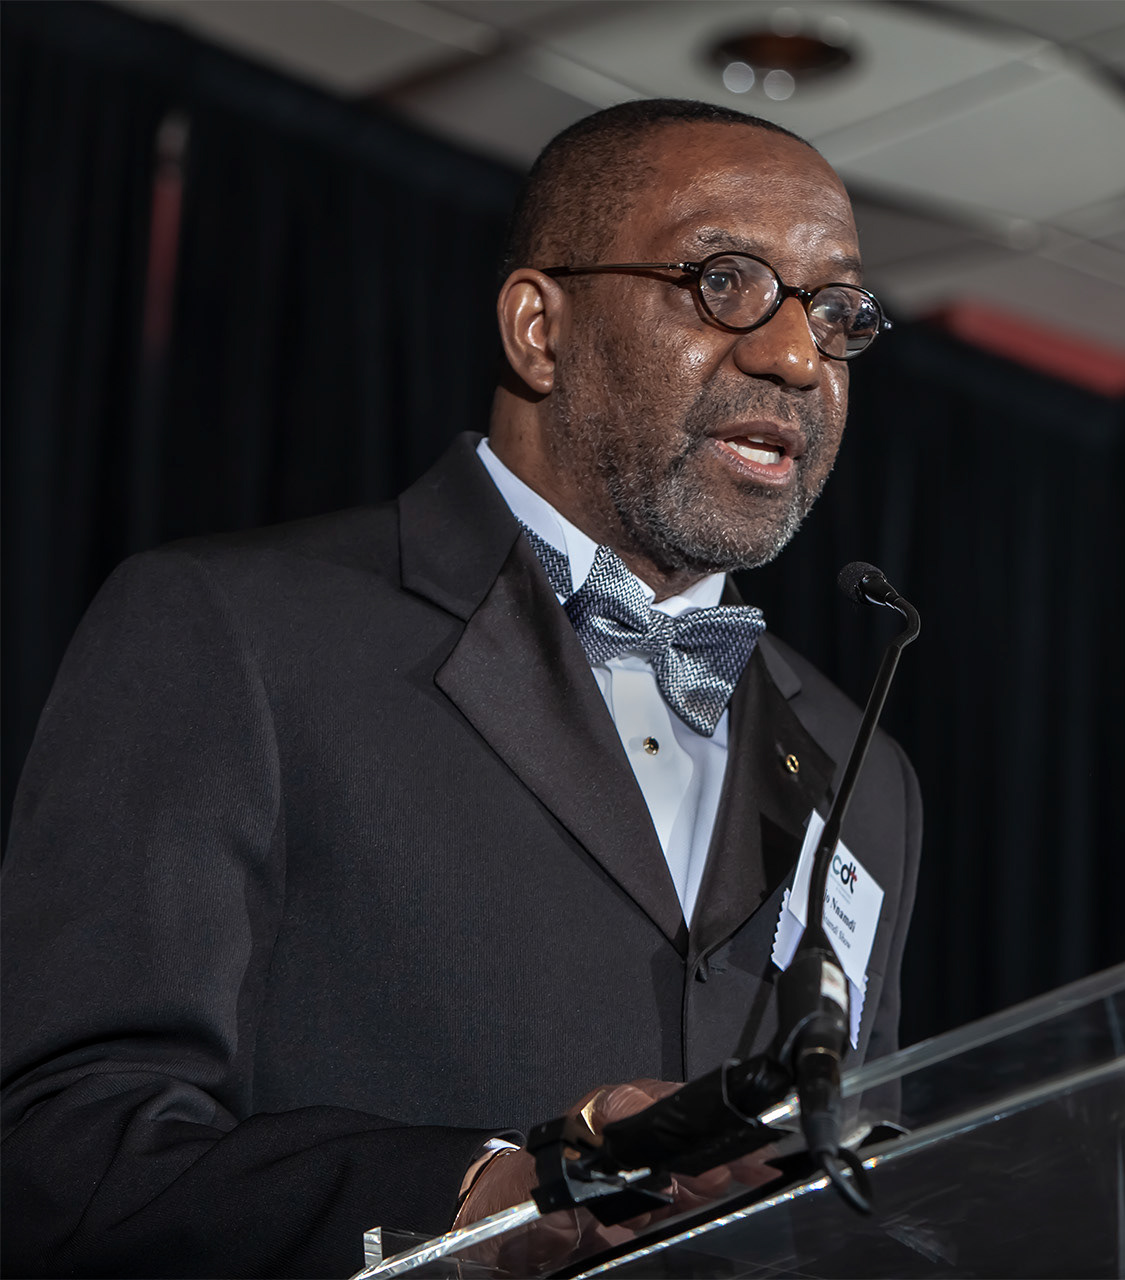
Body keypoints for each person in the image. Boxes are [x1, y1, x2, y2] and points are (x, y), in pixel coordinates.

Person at [0, 98, 921, 1278]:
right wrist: (480, 1196)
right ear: (539, 329)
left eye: (837, 311)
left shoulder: (863, 765)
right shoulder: (236, 629)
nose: (796, 357)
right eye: (724, 282)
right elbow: (60, 1151)